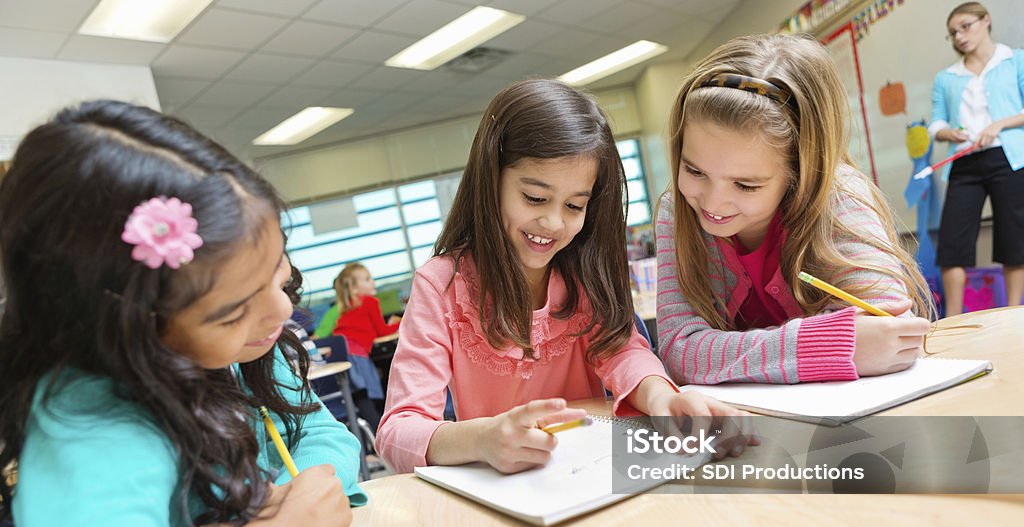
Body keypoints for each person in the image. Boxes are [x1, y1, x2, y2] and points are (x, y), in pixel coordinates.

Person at [0, 100, 366, 527]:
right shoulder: (92, 418)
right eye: (231, 312)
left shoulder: (246, 347)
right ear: (130, 325)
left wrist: (282, 503)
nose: (280, 309)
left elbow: (325, 434)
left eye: (279, 272)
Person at [376, 79, 755, 475]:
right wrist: (483, 439)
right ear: (491, 182)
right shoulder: (442, 284)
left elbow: (621, 350)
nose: (553, 222)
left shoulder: (581, 270)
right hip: (503, 490)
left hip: (589, 475)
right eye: (535, 198)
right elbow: (398, 430)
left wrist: (661, 396)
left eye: (575, 205)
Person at [656, 34, 933, 386]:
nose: (712, 203)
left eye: (746, 185)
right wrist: (822, 344)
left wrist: (730, 353)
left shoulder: (839, 193)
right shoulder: (676, 211)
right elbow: (680, 352)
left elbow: (889, 336)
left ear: (800, 173)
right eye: (694, 171)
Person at [930, 2, 1024, 316]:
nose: (959, 36)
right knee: (952, 244)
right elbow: (936, 124)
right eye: (953, 33)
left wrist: (998, 124)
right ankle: (953, 321)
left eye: (965, 26)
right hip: (965, 162)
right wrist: (948, 134)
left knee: (1015, 238)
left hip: (1008, 159)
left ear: (986, 21)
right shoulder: (946, 78)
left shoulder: (1015, 61)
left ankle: (1013, 315)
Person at [329, 262, 399, 432]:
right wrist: (402, 322)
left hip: (340, 351)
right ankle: (381, 434)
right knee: (367, 394)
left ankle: (375, 435)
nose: (372, 282)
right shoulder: (369, 301)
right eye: (367, 279)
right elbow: (381, 332)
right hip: (356, 354)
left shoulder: (349, 306)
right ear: (354, 288)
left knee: (358, 395)